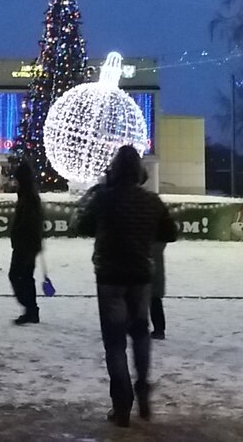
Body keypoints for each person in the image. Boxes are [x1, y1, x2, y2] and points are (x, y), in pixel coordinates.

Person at [78, 146, 178, 427]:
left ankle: (121, 407)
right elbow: (171, 232)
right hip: (140, 275)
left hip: (110, 277)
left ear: (114, 171)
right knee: (141, 334)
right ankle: (143, 386)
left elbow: (80, 225)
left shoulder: (104, 199)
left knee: (114, 344)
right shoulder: (152, 201)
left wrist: (98, 192)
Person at [9, 162, 44, 325]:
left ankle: (29, 308)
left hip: (25, 243)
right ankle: (31, 311)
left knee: (17, 275)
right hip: (28, 243)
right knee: (25, 277)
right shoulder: (28, 194)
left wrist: (16, 234)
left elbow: (28, 221)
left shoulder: (28, 196)